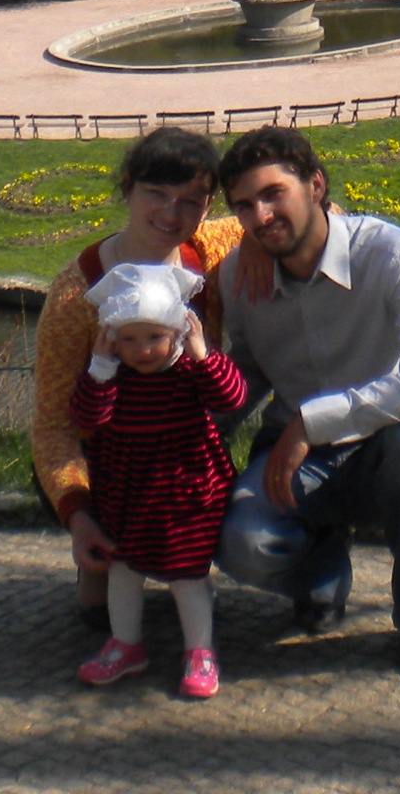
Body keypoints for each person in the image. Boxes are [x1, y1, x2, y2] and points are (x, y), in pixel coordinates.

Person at [212, 126, 400, 680]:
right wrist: (193, 431)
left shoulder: (391, 253)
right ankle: (322, 568)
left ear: (317, 186)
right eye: (244, 206)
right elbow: (250, 365)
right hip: (295, 453)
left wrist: (313, 421)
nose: (260, 216)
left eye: (273, 194)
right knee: (240, 543)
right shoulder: (238, 273)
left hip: (384, 443)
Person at [30, 129, 242, 629]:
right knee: (98, 607)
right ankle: (105, 565)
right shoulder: (75, 295)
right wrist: (78, 511)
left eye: (191, 201)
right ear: (127, 188)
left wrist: (322, 217)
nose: (172, 213)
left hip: (182, 449)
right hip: (110, 459)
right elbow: (54, 425)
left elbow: (289, 212)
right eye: (156, 194)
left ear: (208, 206)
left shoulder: (208, 250)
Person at [69, 261, 247, 698]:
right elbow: (87, 417)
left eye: (154, 337)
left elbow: (231, 398)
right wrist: (100, 367)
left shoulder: (190, 371)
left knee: (187, 574)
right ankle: (125, 644)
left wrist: (203, 354)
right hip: (126, 490)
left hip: (184, 493)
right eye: (129, 340)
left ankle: (200, 651)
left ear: (177, 332)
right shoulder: (112, 376)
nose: (142, 350)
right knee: (124, 568)